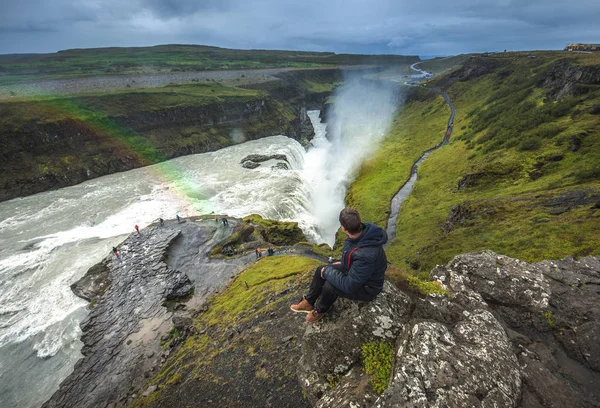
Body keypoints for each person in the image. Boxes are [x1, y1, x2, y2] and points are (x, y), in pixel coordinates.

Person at [290, 208, 388, 323]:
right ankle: (308, 303)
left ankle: (320, 310)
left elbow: (349, 286)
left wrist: (327, 272)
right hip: (355, 271)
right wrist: (342, 263)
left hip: (367, 287)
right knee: (320, 269)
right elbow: (354, 255)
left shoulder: (365, 256)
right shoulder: (362, 233)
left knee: (330, 286)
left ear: (343, 228)